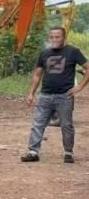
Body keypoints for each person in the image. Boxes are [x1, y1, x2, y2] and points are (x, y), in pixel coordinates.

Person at [22, 27, 89, 163]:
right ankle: (33, 152)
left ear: (64, 38)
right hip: (45, 95)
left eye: (57, 37)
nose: (54, 39)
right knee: (38, 124)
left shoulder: (73, 51)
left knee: (66, 125)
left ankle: (68, 153)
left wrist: (80, 86)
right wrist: (31, 93)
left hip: (64, 96)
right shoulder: (44, 53)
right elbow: (37, 75)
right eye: (52, 37)